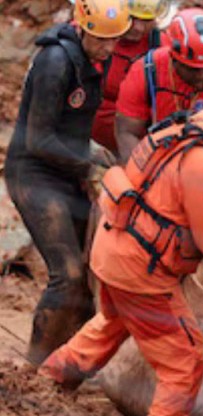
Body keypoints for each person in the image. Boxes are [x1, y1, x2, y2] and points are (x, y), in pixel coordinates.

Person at [38, 86, 203, 416]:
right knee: (185, 361)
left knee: (112, 324)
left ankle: (47, 381)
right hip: (140, 272)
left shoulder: (178, 129)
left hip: (112, 252)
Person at [4, 0, 132, 365]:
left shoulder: (93, 59)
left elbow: (70, 125)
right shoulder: (56, 62)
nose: (108, 48)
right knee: (68, 274)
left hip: (66, 172)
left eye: (114, 40)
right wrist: (88, 165)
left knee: (88, 273)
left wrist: (92, 153)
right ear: (82, 28)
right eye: (101, 39)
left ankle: (69, 364)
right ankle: (33, 366)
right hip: (34, 173)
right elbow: (38, 139)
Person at [114, 7, 203, 162]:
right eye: (193, 69)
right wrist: (147, 171)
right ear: (173, 57)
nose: (201, 75)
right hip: (155, 157)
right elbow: (126, 132)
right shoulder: (145, 71)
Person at [91, 0, 167, 154]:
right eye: (132, 18)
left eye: (146, 20)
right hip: (88, 142)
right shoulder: (92, 34)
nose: (139, 28)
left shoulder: (162, 46)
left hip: (140, 147)